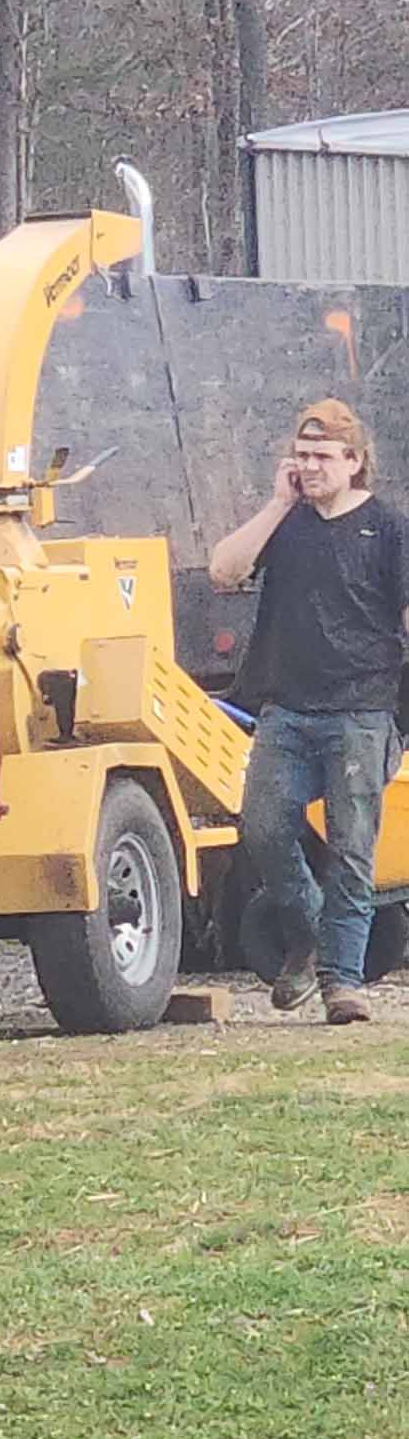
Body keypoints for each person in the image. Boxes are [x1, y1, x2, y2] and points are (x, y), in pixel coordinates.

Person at [209, 399, 409, 1025]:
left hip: (361, 712)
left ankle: (342, 984)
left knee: (352, 848)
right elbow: (224, 572)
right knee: (263, 829)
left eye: (323, 456)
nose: (310, 466)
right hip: (285, 712)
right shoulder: (286, 523)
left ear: (355, 462)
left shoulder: (388, 528)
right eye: (302, 455)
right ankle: (318, 932)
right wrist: (276, 502)